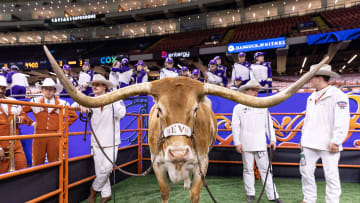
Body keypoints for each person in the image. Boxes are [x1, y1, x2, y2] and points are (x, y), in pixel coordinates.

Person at [72, 74, 126, 203]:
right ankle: (106, 195)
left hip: (112, 142)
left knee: (106, 169)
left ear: (105, 87)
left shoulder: (114, 99)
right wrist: (81, 105)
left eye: (98, 84)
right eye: (93, 84)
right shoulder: (89, 100)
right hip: (96, 142)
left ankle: (93, 189)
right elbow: (74, 105)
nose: (94, 86)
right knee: (101, 171)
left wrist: (113, 99)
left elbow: (121, 113)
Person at [300, 64, 350, 203]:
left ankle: (332, 201)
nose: (309, 80)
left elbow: (342, 120)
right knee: (305, 172)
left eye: (311, 77)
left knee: (331, 175)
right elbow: (307, 120)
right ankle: (309, 199)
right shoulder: (311, 97)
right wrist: (303, 138)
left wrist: (337, 140)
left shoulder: (338, 96)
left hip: (329, 143)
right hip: (309, 142)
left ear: (319, 78)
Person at [232, 79, 283, 203]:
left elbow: (268, 124)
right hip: (245, 143)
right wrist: (237, 142)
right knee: (248, 169)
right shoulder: (238, 107)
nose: (256, 92)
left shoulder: (263, 105)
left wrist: (273, 139)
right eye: (253, 90)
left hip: (260, 143)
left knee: (266, 170)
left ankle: (273, 196)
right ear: (246, 91)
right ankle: (250, 194)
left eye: (257, 90)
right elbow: (235, 126)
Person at [20, 78, 78, 166]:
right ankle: (38, 179)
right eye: (46, 89)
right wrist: (31, 122)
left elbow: (74, 116)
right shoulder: (35, 101)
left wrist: (61, 126)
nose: (48, 91)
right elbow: (21, 112)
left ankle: (53, 179)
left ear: (54, 90)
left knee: (54, 161)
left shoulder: (63, 103)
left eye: (50, 89)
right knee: (37, 160)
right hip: (39, 135)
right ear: (42, 90)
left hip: (55, 136)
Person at [0, 75, 29, 173]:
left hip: (16, 144)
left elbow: (25, 118)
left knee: (22, 170)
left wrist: (17, 119)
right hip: (1, 146)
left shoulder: (13, 101)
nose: (1, 90)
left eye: (3, 88)